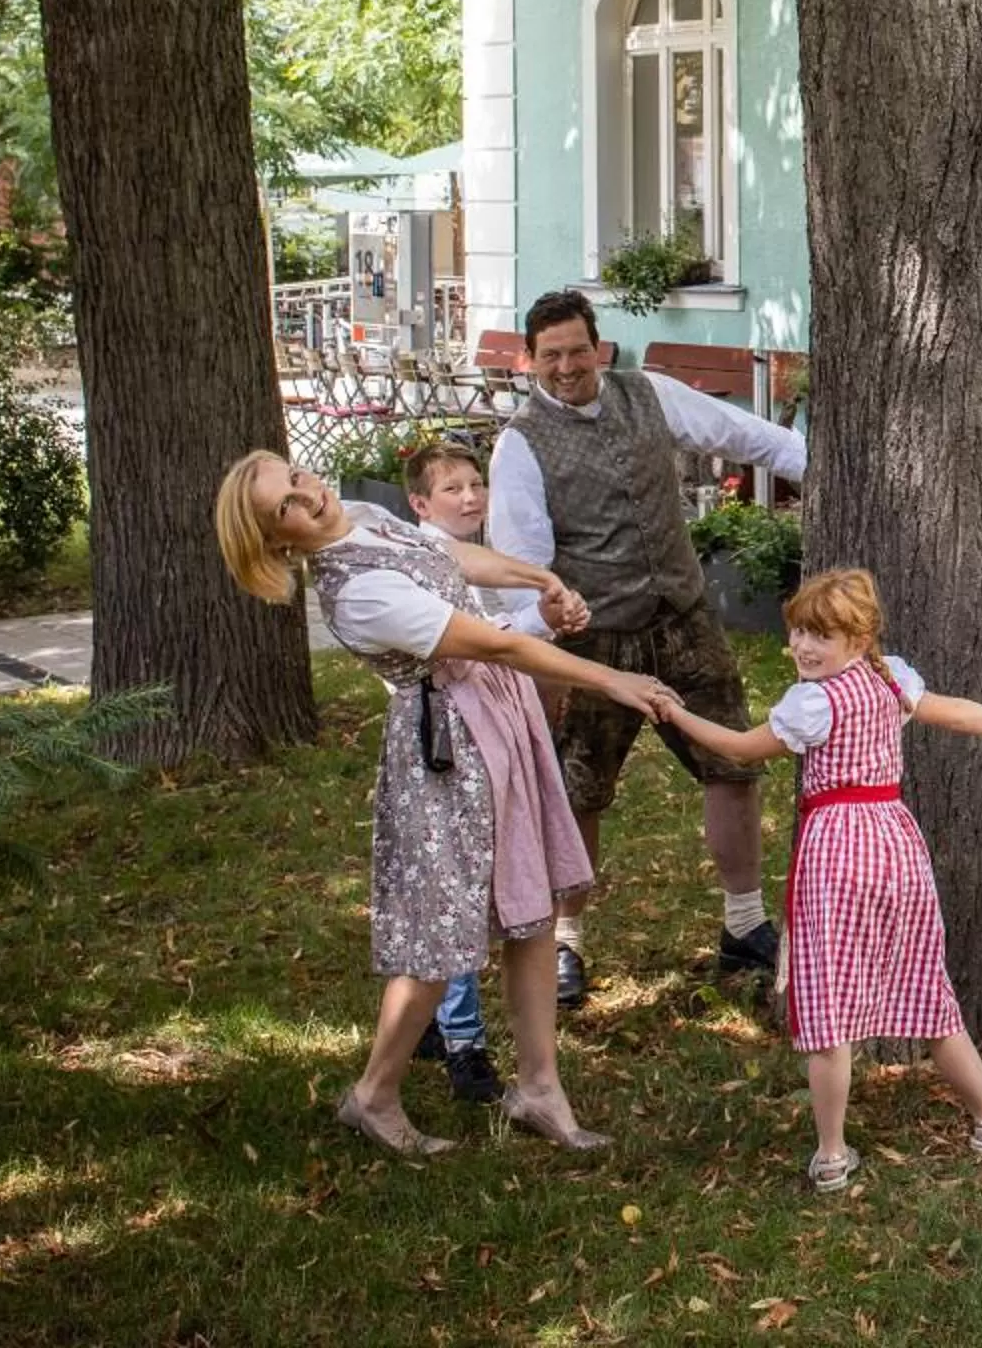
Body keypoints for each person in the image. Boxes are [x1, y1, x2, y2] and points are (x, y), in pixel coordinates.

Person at [214, 451, 672, 1157]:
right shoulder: (356, 594)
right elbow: (491, 642)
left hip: (499, 717)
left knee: (534, 904)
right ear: (278, 541)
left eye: (298, 479)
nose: (308, 497)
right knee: (439, 938)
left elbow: (449, 556)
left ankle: (540, 1088)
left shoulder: (362, 520)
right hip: (451, 751)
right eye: (286, 507)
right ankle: (374, 1095)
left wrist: (539, 577)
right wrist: (613, 678)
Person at [657, 568, 982, 1192]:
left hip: (838, 853)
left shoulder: (814, 702)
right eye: (796, 632)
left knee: (829, 1003)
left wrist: (674, 714)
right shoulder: (889, 677)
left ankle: (831, 1153)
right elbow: (952, 712)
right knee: (924, 983)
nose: (802, 647)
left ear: (860, 636)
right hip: (895, 842)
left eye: (821, 635)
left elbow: (740, 748)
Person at [487, 288, 808, 1008]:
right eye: (551, 356)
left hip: (684, 617)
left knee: (732, 760)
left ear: (597, 346)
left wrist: (815, 462)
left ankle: (744, 924)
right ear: (528, 360)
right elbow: (521, 567)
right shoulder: (520, 445)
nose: (566, 367)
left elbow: (742, 435)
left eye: (577, 350)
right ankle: (566, 942)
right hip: (592, 635)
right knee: (580, 789)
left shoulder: (648, 394)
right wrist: (543, 650)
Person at [401, 439, 503, 1105]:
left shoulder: (478, 563)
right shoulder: (423, 560)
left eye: (475, 485)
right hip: (441, 744)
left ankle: (430, 1023)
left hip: (480, 736)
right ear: (419, 504)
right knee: (457, 887)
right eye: (453, 490)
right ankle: (463, 1040)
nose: (469, 498)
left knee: (450, 884)